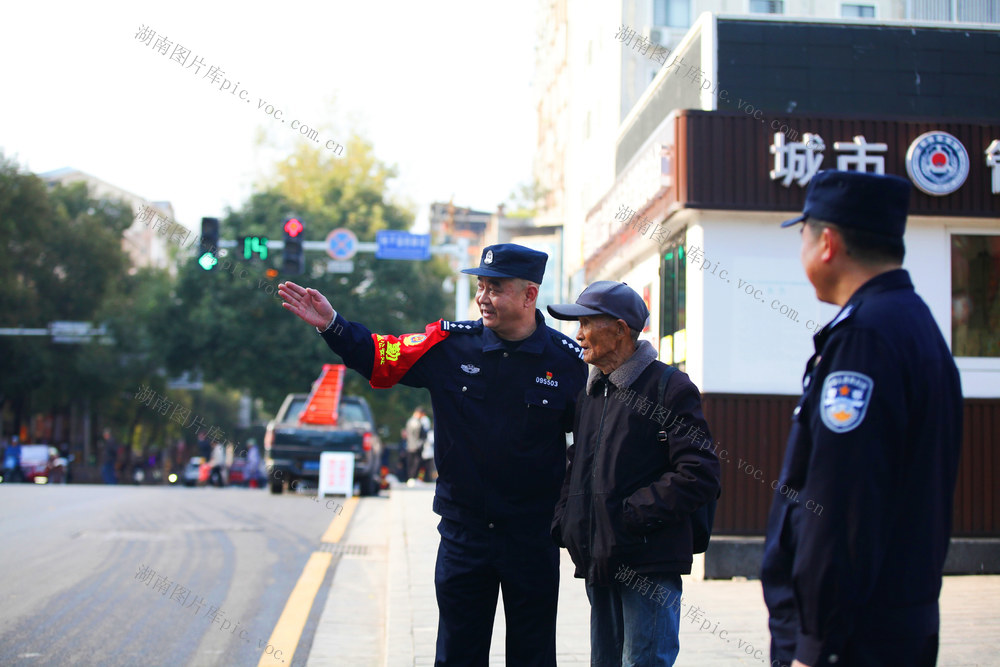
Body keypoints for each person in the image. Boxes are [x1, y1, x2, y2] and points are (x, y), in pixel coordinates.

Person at [279, 243, 587, 666]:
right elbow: (381, 356)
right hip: (464, 534)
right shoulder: (448, 346)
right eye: (481, 286)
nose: (483, 297)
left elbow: (588, 445)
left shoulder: (568, 362)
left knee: (532, 655)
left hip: (531, 538)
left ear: (529, 295)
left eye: (495, 288)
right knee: (457, 654)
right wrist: (333, 326)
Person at [761, 170, 963, 667]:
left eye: (804, 235)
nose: (802, 249)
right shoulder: (914, 324)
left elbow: (841, 503)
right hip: (896, 624)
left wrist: (815, 644)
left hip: (851, 640)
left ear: (827, 243)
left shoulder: (864, 339)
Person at [548, 281, 721, 666]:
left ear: (620, 330)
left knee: (644, 661)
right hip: (598, 559)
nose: (578, 335)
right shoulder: (590, 392)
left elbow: (701, 472)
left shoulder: (669, 387)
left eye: (586, 323)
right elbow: (578, 463)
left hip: (648, 563)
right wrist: (568, 519)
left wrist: (629, 515)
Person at [404, 406, 430, 485]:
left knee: (414, 463)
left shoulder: (412, 421)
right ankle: (412, 478)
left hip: (412, 446)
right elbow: (421, 434)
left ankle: (412, 478)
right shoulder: (415, 422)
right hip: (415, 446)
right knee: (415, 463)